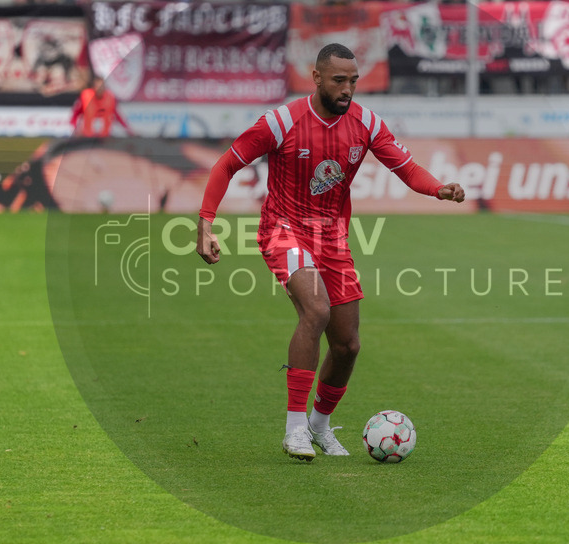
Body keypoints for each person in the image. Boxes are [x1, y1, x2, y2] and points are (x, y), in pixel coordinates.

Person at [196, 43, 466, 461]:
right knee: (316, 311)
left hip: (332, 240)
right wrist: (206, 223)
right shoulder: (282, 121)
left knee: (347, 345)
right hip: (282, 230)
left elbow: (407, 169)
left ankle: (320, 426)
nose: (348, 89)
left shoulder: (366, 124)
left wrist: (438, 188)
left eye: (353, 81)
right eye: (339, 80)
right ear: (317, 77)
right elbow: (226, 165)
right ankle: (294, 430)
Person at [70, 77, 135, 138]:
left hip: (104, 138)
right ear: (93, 87)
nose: (100, 89)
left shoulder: (110, 97)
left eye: (102, 86)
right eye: (98, 86)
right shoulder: (86, 96)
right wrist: (74, 129)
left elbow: (117, 115)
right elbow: (75, 114)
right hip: (87, 137)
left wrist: (128, 130)